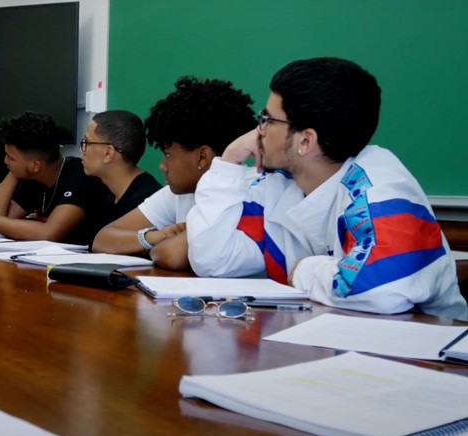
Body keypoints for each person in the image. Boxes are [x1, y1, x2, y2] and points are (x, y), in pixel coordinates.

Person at [188, 57, 468, 320]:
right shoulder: (278, 184)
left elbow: (380, 290)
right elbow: (212, 259)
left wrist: (306, 270)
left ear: (306, 141)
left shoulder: (379, 182)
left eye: (268, 120)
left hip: (427, 358)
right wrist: (229, 161)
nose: (259, 130)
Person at [92, 76, 256, 270]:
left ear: (202, 156)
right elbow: (102, 239)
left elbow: (173, 255)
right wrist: (154, 237)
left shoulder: (248, 190)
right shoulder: (179, 193)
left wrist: (154, 247)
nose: (162, 165)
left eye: (168, 155)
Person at [0, 111, 109, 245]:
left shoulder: (80, 176)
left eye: (11, 158)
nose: (5, 161)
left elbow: (49, 233)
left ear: (36, 165)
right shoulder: (34, 177)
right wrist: (14, 172)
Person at [80, 110, 161, 237]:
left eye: (86, 143)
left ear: (108, 153)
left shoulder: (148, 201)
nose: (82, 151)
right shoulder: (105, 193)